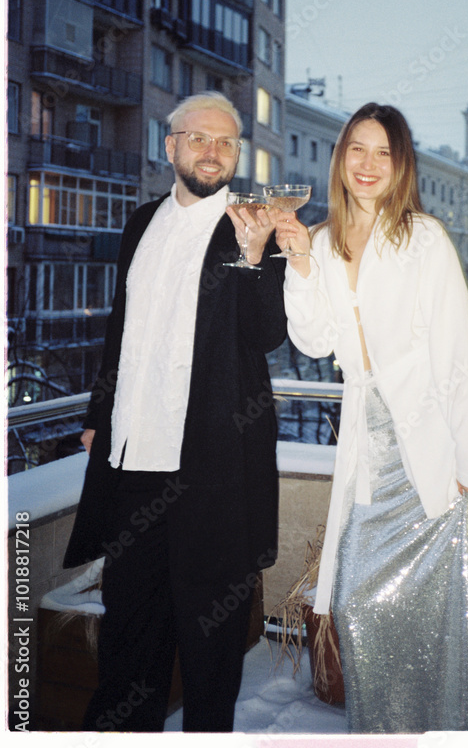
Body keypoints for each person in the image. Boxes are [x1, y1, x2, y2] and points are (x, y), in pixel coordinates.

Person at [63, 92, 286, 732]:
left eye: (225, 142)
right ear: (171, 146)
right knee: (129, 633)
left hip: (212, 470)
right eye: (199, 139)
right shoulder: (140, 223)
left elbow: (267, 332)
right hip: (133, 464)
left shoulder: (254, 223)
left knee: (210, 649)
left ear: (237, 153)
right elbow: (121, 329)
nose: (212, 152)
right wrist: (99, 415)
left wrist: (252, 257)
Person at [275, 103, 468, 733]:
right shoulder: (321, 239)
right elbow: (316, 342)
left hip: (430, 454)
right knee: (357, 607)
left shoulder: (423, 238)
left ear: (400, 165)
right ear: (339, 158)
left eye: (384, 153)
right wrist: (297, 262)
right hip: (367, 451)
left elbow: (459, 357)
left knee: (444, 628)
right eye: (357, 149)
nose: (369, 165)